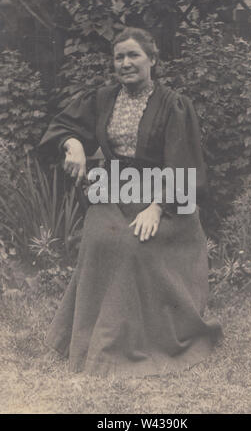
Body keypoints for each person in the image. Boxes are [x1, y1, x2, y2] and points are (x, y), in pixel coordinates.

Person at [39, 27, 222, 377]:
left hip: (168, 196)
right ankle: (96, 336)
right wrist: (73, 144)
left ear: (152, 59)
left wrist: (157, 207)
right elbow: (61, 126)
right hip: (116, 191)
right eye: (119, 57)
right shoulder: (103, 99)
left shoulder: (174, 105)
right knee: (101, 239)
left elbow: (183, 167)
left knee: (135, 246)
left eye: (133, 55)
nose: (125, 63)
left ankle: (138, 341)